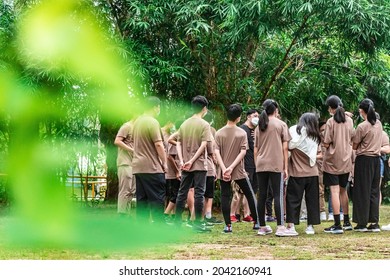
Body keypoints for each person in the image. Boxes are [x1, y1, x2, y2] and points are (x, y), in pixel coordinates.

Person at [214, 104, 259, 233]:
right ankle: (256, 222)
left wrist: (224, 169)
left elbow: (216, 152)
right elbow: (243, 152)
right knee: (250, 194)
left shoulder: (219, 133)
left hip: (224, 171)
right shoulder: (242, 133)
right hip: (238, 170)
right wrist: (232, 167)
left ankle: (228, 225)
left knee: (225, 195)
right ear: (239, 118)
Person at [174, 95, 212, 232]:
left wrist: (183, 160)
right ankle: (197, 223)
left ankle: (177, 222)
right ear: (204, 108)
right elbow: (203, 145)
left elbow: (177, 142)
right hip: (199, 164)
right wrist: (192, 160)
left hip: (185, 165)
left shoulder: (184, 124)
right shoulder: (205, 124)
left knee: (182, 192)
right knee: (199, 193)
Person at [254, 99, 291, 236]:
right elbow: (285, 147)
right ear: (276, 110)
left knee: (262, 195)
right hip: (276, 163)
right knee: (278, 194)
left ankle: (262, 226)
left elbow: (256, 148)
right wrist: (285, 167)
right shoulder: (281, 124)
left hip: (261, 164)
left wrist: (256, 163)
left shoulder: (260, 125)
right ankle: (280, 227)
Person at [132, 96, 167, 224]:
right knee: (157, 198)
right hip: (152, 167)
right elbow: (158, 144)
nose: (159, 110)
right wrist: (165, 163)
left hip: (138, 167)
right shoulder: (152, 122)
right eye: (159, 107)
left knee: (142, 200)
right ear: (155, 107)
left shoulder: (137, 122)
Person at [285, 113, 322, 235]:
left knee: (293, 199)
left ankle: (291, 225)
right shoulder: (315, 137)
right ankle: (310, 226)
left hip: (297, 172)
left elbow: (288, 147)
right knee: (312, 200)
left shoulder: (294, 134)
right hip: (313, 173)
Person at [352, 99, 385, 232]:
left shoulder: (362, 126)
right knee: (374, 191)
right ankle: (374, 222)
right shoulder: (379, 124)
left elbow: (354, 145)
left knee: (362, 191)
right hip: (376, 160)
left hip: (364, 160)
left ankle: (361, 222)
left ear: (361, 111)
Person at [322, 95, 353, 234]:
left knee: (334, 191)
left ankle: (336, 224)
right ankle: (346, 221)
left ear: (331, 107)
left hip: (332, 161)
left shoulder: (330, 121)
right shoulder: (350, 120)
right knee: (343, 190)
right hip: (346, 160)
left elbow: (327, 141)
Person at [229, 109, 259, 224]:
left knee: (251, 190)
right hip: (243, 164)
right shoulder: (242, 130)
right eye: (255, 115)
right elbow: (238, 149)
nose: (257, 118)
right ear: (248, 117)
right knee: (238, 191)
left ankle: (246, 214)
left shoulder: (255, 130)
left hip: (254, 164)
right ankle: (233, 214)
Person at [203, 111, 222, 224]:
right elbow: (212, 150)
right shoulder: (210, 130)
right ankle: (207, 216)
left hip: (194, 166)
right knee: (208, 194)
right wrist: (216, 161)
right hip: (208, 166)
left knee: (199, 192)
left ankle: (196, 216)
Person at [114, 119, 136, 216]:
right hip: (125, 162)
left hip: (133, 164)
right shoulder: (127, 126)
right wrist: (132, 150)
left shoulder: (137, 128)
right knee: (125, 190)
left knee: (132, 190)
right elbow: (117, 141)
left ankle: (126, 213)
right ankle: (122, 214)